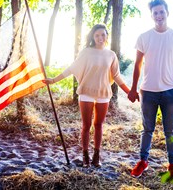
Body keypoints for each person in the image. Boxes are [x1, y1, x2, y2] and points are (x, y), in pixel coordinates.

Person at [43, 24, 130, 168]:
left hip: (103, 93)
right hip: (86, 92)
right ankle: (85, 154)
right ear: (93, 37)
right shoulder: (86, 52)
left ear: (107, 36)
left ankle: (96, 154)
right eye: (97, 35)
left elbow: (116, 76)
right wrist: (53, 80)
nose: (100, 38)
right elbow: (71, 69)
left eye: (103, 35)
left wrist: (129, 92)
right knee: (86, 125)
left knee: (98, 125)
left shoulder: (111, 55)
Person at [128, 0, 173, 177]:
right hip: (148, 91)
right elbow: (137, 64)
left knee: (170, 130)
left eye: (161, 12)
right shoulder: (144, 37)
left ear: (167, 13)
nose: (159, 15)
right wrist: (133, 88)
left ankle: (172, 164)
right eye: (155, 13)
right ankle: (143, 162)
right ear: (152, 15)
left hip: (170, 91)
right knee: (147, 129)